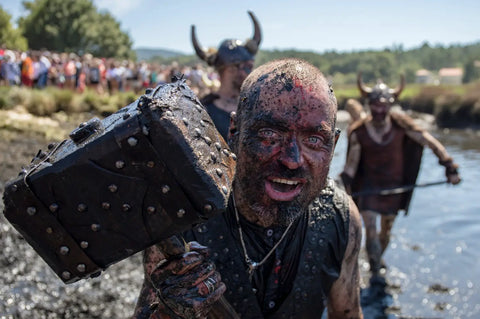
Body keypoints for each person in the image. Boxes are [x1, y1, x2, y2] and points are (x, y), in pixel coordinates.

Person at [133, 58, 364, 319]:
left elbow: (347, 313)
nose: (292, 159)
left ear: (333, 145)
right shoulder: (184, 219)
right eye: (269, 135)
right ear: (235, 132)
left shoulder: (340, 217)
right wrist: (166, 311)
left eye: (314, 139)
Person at [340, 73, 461, 286]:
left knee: (386, 231)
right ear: (369, 105)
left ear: (390, 105)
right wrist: (341, 186)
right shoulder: (359, 132)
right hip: (368, 190)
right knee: (371, 231)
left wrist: (449, 166)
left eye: (384, 105)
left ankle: (376, 260)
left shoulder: (401, 125)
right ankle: (376, 272)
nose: (379, 110)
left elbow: (430, 141)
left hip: (394, 189)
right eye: (375, 105)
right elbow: (351, 166)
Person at [191, 11, 261, 140]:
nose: (251, 73)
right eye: (248, 67)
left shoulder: (257, 105)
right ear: (231, 69)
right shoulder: (203, 110)